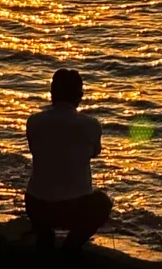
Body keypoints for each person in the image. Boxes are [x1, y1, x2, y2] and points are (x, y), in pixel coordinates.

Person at [25, 68, 112, 252]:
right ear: (79, 96)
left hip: (37, 207)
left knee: (36, 187)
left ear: (52, 94)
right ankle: (70, 248)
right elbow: (95, 153)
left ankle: (44, 233)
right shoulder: (91, 125)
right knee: (103, 203)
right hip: (73, 209)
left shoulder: (33, 121)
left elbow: (34, 149)